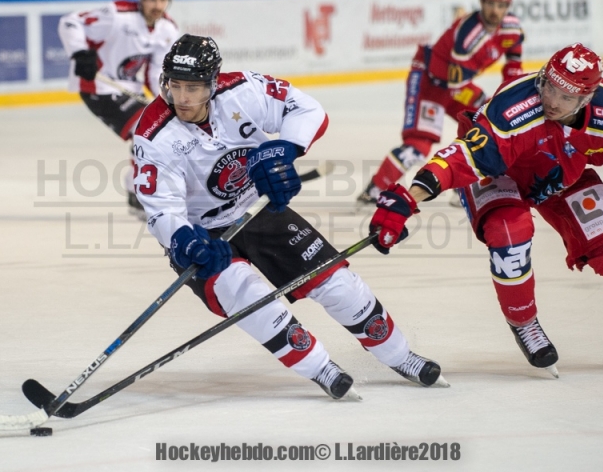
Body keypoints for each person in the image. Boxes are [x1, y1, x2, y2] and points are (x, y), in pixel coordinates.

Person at [132, 34, 446, 399]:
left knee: (337, 283)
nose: (182, 98)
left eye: (193, 88)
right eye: (175, 86)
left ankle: (400, 355)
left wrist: (283, 150)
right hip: (203, 234)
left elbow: (308, 109)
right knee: (249, 297)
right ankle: (320, 367)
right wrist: (186, 242)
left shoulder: (243, 90)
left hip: (256, 209)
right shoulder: (153, 134)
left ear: (213, 83)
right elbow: (161, 208)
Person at [368, 43, 603, 376]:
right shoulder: (511, 110)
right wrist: (407, 199)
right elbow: (460, 159)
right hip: (500, 172)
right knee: (509, 235)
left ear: (587, 98)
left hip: (559, 175)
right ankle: (524, 323)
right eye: (550, 87)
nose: (552, 101)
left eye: (566, 97)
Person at [358, 0, 524, 207]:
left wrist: (509, 98)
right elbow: (454, 82)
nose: (495, 10)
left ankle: (467, 189)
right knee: (418, 145)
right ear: (482, 2)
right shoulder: (468, 36)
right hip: (431, 83)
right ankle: (374, 190)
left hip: (455, 84)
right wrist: (485, 101)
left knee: (490, 126)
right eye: (490, 3)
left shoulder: (511, 29)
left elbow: (514, 65)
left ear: (508, 6)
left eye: (501, 5)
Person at [58, 0, 180, 219]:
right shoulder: (117, 15)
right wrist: (79, 52)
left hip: (127, 88)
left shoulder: (167, 29)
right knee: (145, 129)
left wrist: (168, 101)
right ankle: (137, 190)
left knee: (158, 129)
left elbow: (155, 72)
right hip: (98, 87)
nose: (157, 5)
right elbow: (70, 22)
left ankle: (138, 191)